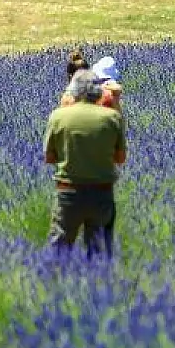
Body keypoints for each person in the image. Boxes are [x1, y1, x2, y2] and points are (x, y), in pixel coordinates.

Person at [44, 69, 127, 260]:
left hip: (68, 192)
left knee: (59, 248)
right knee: (99, 252)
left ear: (74, 90)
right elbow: (120, 158)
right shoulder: (112, 118)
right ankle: (98, 286)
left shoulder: (58, 116)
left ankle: (54, 284)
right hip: (102, 193)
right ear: (97, 91)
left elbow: (49, 157)